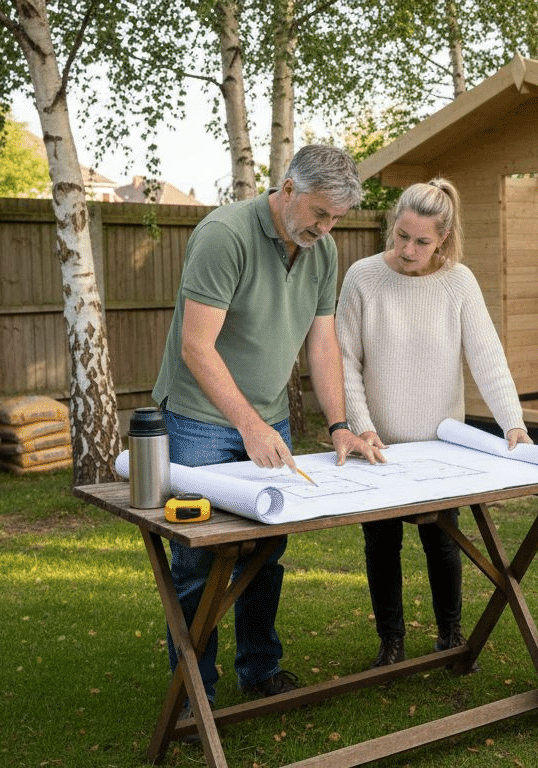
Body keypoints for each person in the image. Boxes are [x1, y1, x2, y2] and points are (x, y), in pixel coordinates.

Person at [151, 144, 384, 711]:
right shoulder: (223, 236)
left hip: (266, 416)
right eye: (319, 214)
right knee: (197, 559)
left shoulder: (321, 250)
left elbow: (322, 342)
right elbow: (196, 347)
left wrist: (339, 425)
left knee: (264, 550)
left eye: (335, 220)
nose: (325, 228)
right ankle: (194, 693)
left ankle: (259, 668)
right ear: (287, 189)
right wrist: (250, 425)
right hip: (198, 420)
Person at [336, 178, 532, 669]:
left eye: (422, 241)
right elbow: (345, 361)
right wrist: (360, 426)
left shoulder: (459, 282)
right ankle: (391, 644)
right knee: (381, 545)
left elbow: (487, 356)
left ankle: (450, 637)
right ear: (392, 225)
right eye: (401, 236)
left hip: (441, 449)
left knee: (443, 542)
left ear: (443, 237)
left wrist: (514, 423)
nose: (408, 250)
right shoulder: (362, 277)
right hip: (378, 445)